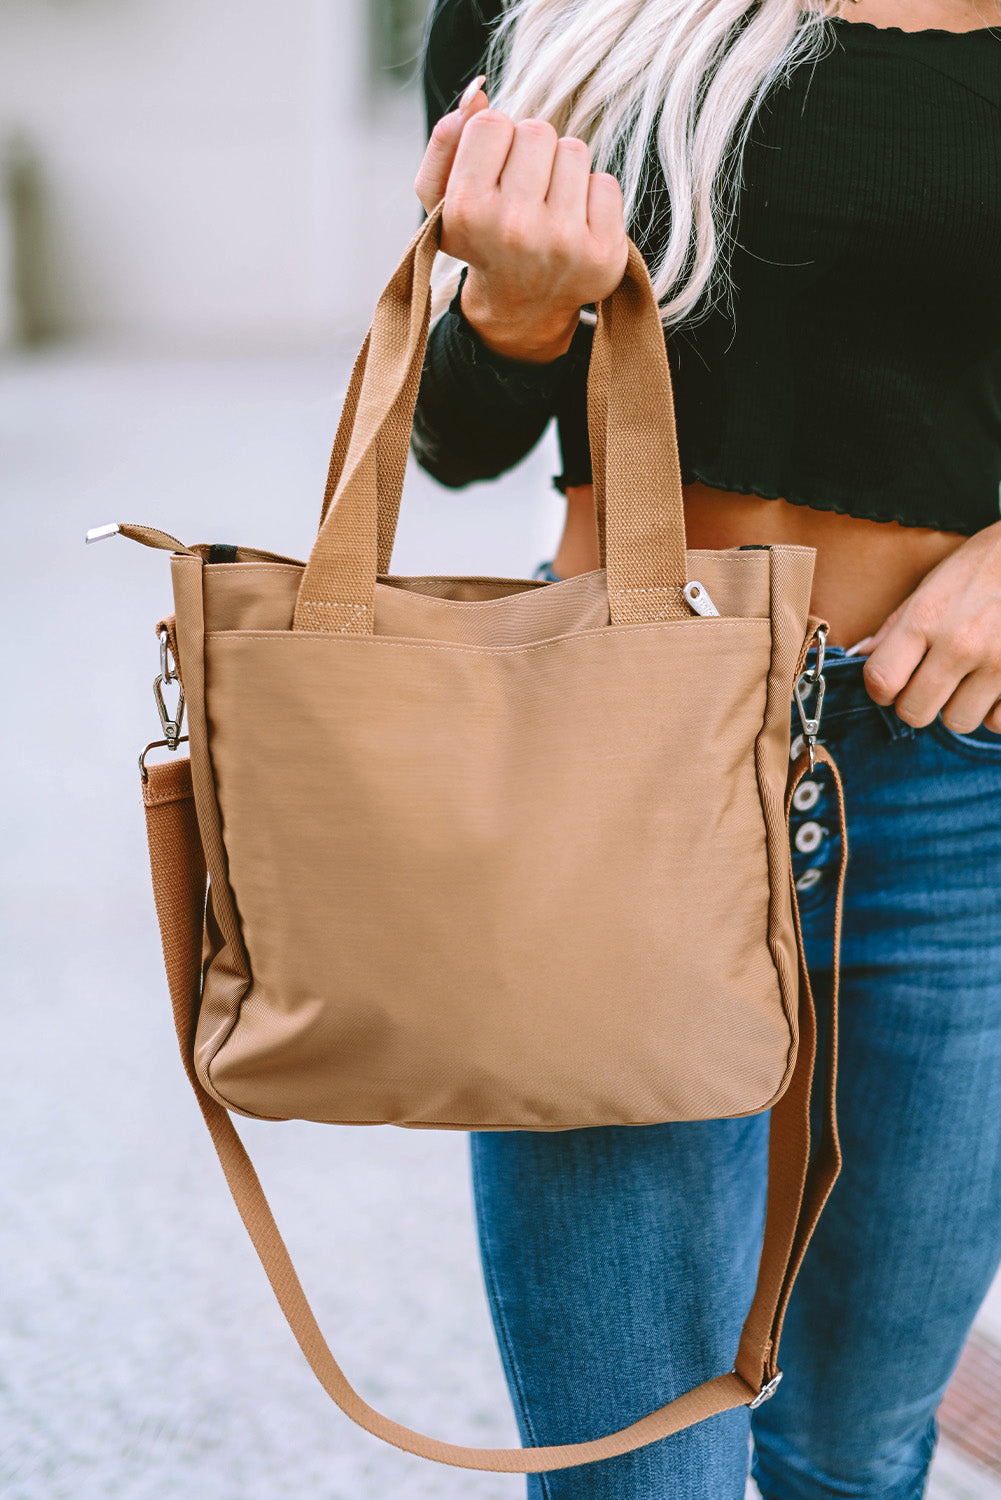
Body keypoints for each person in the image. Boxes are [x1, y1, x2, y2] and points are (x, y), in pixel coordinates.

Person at [409, 2, 1001, 1496]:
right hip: (624, 761)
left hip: (963, 785)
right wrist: (515, 311)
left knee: (856, 1459)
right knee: (632, 1473)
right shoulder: (566, 7)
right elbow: (452, 432)